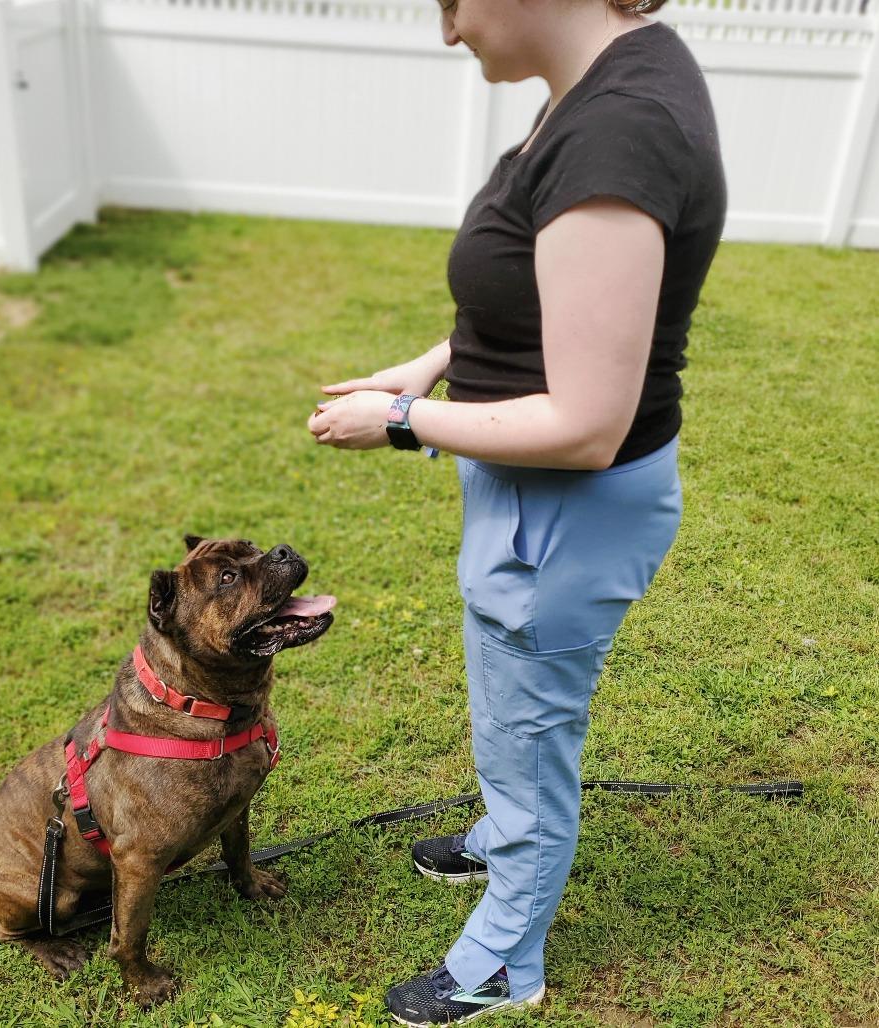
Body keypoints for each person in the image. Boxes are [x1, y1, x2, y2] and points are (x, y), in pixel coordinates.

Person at [307, 0, 726, 1020]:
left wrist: (405, 418)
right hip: (536, 501)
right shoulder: (597, 95)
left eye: (449, 0)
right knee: (512, 715)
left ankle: (502, 960)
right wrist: (428, 363)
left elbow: (584, 422)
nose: (447, 29)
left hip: (564, 507)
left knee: (527, 736)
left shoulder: (617, 132)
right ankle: (501, 834)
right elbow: (537, 294)